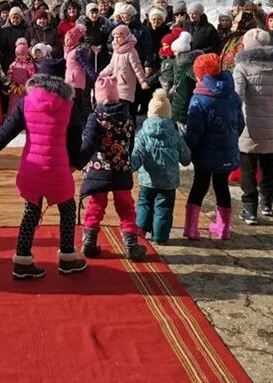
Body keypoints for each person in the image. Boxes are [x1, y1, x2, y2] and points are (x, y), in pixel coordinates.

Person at [0, 65, 86, 279]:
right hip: (58, 169)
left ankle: (22, 259)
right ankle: (67, 257)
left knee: (31, 211)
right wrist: (75, 163)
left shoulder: (26, 103)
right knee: (67, 209)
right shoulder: (68, 105)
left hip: (32, 168)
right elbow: (76, 137)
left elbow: (6, 131)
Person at [79, 75, 146, 261]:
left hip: (99, 170)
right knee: (126, 208)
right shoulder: (127, 117)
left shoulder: (96, 118)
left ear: (97, 98)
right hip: (121, 170)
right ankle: (131, 245)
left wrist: (78, 162)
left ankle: (89, 242)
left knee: (95, 205)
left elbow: (88, 144)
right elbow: (131, 143)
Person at [182, 54, 243, 241]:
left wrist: (187, 148)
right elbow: (240, 124)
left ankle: (191, 228)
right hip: (227, 149)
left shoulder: (200, 99)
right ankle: (224, 228)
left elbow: (194, 131)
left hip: (205, 152)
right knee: (221, 186)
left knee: (199, 185)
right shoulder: (232, 94)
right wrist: (231, 140)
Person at [232, 29, 273, 224]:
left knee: (248, 169)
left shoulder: (242, 67)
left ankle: (249, 208)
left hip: (250, 124)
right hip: (272, 123)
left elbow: (237, 96)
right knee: (268, 166)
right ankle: (267, 203)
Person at [131, 89, 190, 244]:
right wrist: (185, 159)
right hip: (168, 181)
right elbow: (185, 156)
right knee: (163, 208)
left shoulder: (143, 134)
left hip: (147, 179)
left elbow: (137, 155)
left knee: (144, 203)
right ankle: (160, 237)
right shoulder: (175, 134)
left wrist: (129, 166)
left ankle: (141, 230)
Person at [100, 24, 150, 118]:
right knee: (118, 109)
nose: (116, 40)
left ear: (125, 37)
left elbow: (137, 67)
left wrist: (142, 81)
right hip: (116, 84)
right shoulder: (116, 51)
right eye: (115, 38)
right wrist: (102, 74)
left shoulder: (131, 51)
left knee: (128, 108)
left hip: (127, 85)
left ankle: (131, 125)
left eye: (118, 38)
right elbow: (112, 66)